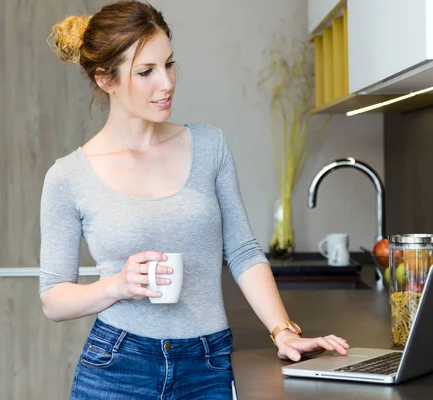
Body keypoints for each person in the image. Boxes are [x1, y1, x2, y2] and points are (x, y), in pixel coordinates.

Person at [40, 1, 350, 399]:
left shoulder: (209, 145)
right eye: (146, 72)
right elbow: (54, 299)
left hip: (209, 363)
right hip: (117, 366)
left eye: (169, 64)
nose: (166, 83)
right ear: (105, 80)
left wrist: (283, 331)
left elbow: (242, 250)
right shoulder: (68, 176)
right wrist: (117, 285)